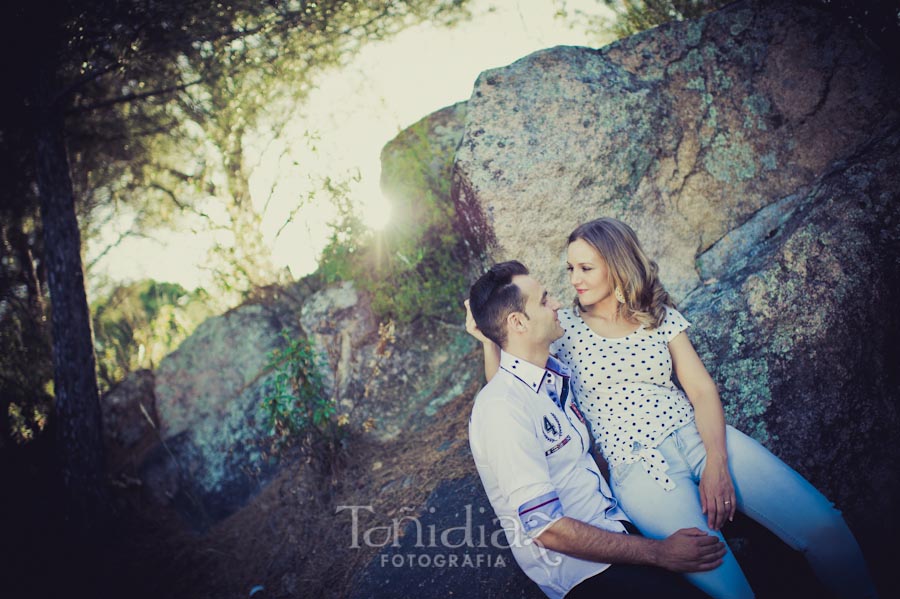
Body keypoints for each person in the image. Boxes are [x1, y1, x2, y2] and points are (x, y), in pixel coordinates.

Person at [466, 218, 878, 599]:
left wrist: (717, 461)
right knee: (727, 586)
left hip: (699, 437)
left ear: (615, 264)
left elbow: (700, 390)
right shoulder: (562, 330)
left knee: (825, 526)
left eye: (585, 268)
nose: (573, 280)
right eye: (570, 268)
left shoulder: (658, 316)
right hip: (638, 468)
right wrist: (490, 336)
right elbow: (513, 383)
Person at [467, 260, 725, 599]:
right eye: (544, 300)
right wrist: (657, 553)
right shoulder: (500, 408)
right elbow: (547, 528)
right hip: (583, 572)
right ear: (517, 322)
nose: (557, 303)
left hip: (614, 526)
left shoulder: (550, 376)